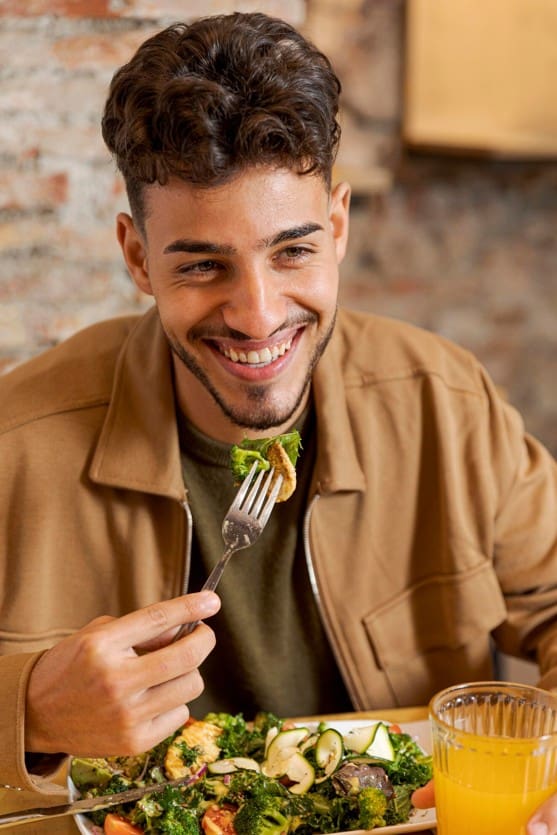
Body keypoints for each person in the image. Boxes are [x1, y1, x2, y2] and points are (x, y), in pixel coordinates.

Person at [0, 11, 556, 833]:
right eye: (201, 265)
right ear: (136, 257)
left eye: (291, 250)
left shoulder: (446, 402)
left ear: (335, 227)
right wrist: (28, 714)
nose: (257, 316)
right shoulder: (18, 441)